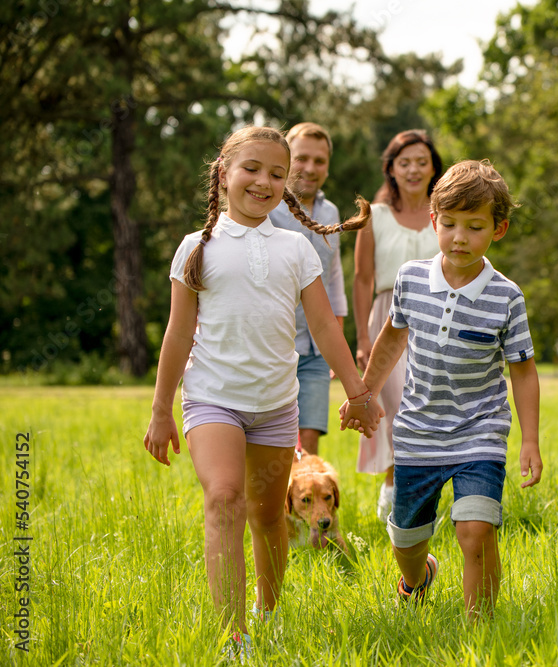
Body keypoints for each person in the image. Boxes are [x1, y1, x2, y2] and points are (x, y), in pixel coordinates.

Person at [142, 126, 383, 660]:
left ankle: (266, 614)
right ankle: (234, 638)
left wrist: (358, 391)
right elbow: (178, 333)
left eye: (278, 173)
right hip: (212, 399)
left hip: (276, 404)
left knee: (269, 515)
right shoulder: (195, 248)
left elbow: (323, 326)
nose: (264, 181)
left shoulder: (296, 248)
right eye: (251, 168)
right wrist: (161, 410)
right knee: (225, 497)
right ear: (223, 172)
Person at [343, 159, 543, 618]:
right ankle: (418, 577)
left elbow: (524, 369)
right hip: (418, 431)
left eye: (474, 227)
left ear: (499, 229)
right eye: (449, 224)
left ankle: (482, 627)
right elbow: (392, 339)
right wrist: (364, 394)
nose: (459, 237)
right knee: (407, 537)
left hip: (480, 430)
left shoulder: (506, 296)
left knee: (476, 530)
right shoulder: (411, 280)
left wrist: (529, 440)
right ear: (433, 221)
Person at [353, 129, 443, 521]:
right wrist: (361, 337)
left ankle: (431, 493)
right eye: (404, 162)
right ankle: (393, 491)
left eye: (422, 162)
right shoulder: (374, 216)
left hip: (440, 318)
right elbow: (361, 279)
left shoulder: (446, 213)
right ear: (391, 168)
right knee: (397, 409)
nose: (413, 170)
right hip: (388, 318)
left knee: (435, 407)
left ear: (433, 167)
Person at [270, 122, 346, 456]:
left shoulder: (331, 213)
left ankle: (305, 508)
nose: (310, 168)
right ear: (286, 158)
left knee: (309, 440)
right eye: (301, 158)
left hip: (316, 349)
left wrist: (337, 338)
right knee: (273, 440)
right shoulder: (267, 209)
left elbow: (334, 276)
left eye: (319, 161)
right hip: (273, 343)